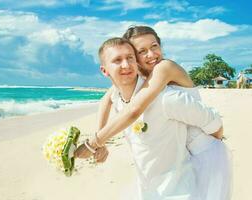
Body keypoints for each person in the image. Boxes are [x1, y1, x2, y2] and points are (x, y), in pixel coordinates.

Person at [88, 26, 232, 199]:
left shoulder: (164, 67)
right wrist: (100, 135)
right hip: (180, 147)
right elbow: (108, 98)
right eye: (142, 51)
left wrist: (95, 142)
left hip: (201, 146)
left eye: (154, 46)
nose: (151, 54)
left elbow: (134, 109)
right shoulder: (139, 72)